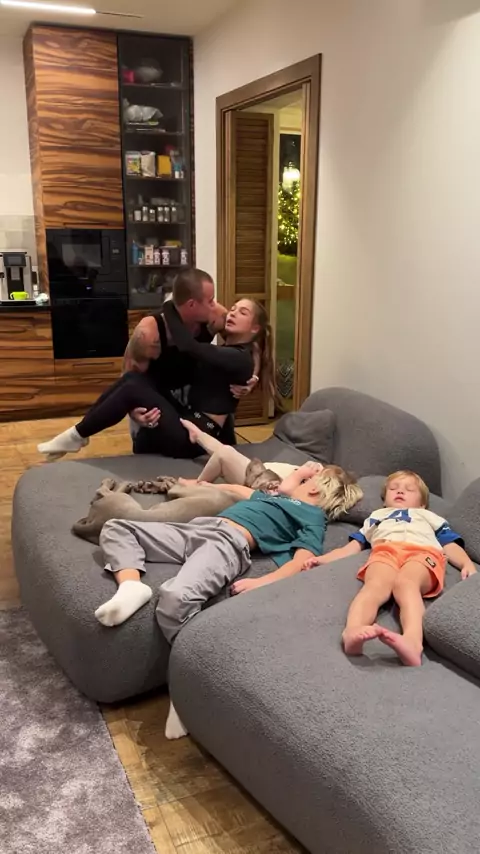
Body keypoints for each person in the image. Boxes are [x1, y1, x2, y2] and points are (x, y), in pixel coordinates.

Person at [94, 462, 362, 638]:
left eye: (306, 479)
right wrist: (203, 485)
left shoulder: (312, 516)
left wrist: (263, 582)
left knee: (175, 598)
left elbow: (303, 561)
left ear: (314, 488)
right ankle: (131, 586)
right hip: (198, 528)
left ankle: (189, 675)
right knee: (116, 527)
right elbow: (238, 489)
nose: (299, 477)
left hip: (228, 543)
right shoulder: (274, 497)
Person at [37, 270, 264, 460]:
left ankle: (77, 435)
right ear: (191, 304)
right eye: (211, 300)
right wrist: (134, 412)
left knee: (135, 391)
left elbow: (250, 346)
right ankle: (79, 434)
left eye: (241, 311)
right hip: (166, 397)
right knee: (132, 384)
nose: (223, 308)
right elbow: (128, 373)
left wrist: (250, 378)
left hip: (196, 421)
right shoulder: (149, 332)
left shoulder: (216, 318)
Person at [303, 470, 477, 666]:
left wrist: (466, 563)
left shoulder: (429, 516)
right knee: (375, 585)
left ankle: (412, 642)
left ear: (422, 503)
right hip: (385, 550)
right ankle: (353, 631)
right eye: (393, 489)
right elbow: (352, 547)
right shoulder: (376, 517)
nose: (400, 491)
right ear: (384, 500)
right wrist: (324, 559)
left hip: (423, 552)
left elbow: (450, 544)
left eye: (409, 489)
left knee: (406, 584)